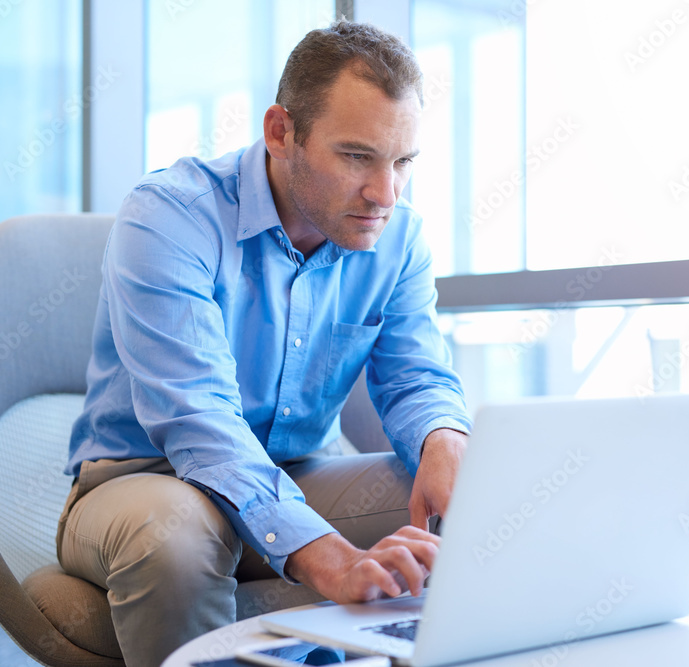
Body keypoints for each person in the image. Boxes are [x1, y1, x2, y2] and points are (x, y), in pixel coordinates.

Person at [57, 20, 471, 667]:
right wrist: (334, 561)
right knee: (175, 538)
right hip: (144, 478)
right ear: (281, 133)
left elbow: (418, 375)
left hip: (294, 472)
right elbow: (202, 424)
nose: (385, 194)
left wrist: (447, 440)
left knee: (473, 506)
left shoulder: (399, 236)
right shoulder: (169, 216)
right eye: (358, 156)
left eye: (403, 162)